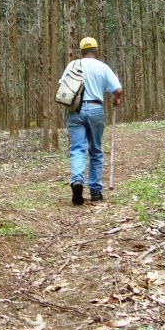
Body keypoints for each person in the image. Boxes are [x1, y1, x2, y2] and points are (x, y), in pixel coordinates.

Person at [59, 37, 123, 205]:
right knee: (95, 150)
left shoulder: (73, 65)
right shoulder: (103, 67)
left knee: (77, 149)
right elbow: (118, 89)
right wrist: (115, 100)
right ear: (96, 50)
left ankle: (77, 180)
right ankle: (95, 190)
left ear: (81, 52)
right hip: (96, 109)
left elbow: (63, 86)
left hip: (75, 111)